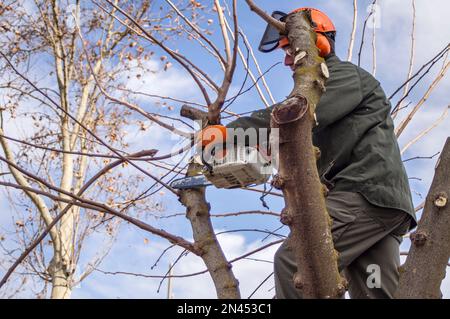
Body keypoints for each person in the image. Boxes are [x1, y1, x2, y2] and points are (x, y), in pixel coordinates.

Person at [225, 8, 417, 299]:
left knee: (295, 262)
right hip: (382, 210)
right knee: (375, 289)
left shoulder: (342, 78)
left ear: (319, 44)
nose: (287, 60)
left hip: (364, 194)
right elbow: (301, 139)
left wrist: (232, 133)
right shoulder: (327, 95)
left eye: (290, 50)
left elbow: (296, 115)